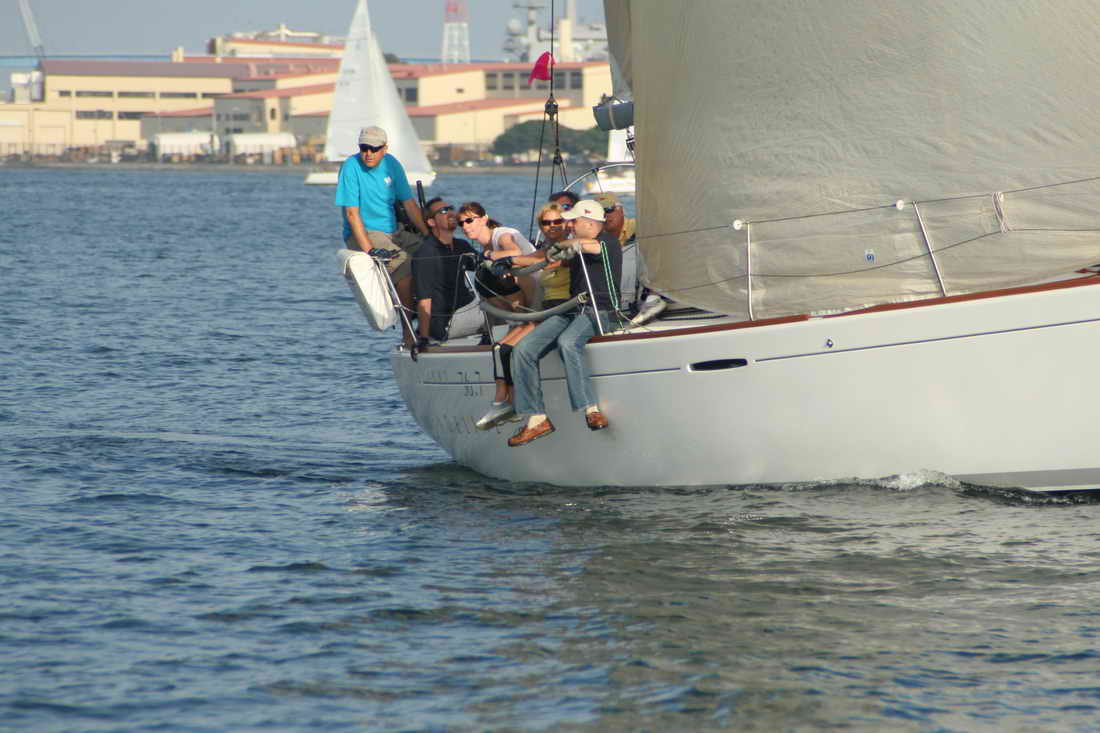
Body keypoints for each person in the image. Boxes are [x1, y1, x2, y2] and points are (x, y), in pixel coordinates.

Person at [506, 199, 623, 447]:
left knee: (568, 342)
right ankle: (536, 419)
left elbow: (590, 247)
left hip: (601, 311)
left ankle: (590, 409)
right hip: (572, 310)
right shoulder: (576, 244)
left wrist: (567, 245)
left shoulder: (607, 242)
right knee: (522, 350)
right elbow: (544, 258)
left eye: (574, 221)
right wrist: (509, 262)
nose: (568, 225)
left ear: (589, 222)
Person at [475, 202, 571, 430]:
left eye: (557, 221)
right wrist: (500, 261)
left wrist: (506, 259)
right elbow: (535, 256)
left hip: (562, 311)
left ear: (566, 223)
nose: (552, 226)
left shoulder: (570, 246)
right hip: (546, 310)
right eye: (546, 223)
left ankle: (517, 405)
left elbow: (547, 261)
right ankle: (503, 402)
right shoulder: (547, 248)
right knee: (499, 348)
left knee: (513, 349)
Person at [335, 126, 429, 342]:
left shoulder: (392, 164)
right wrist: (369, 250)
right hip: (365, 233)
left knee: (433, 255)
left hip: (395, 231)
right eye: (364, 148)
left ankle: (436, 321)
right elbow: (351, 214)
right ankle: (408, 333)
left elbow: (409, 204)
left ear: (385, 149)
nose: (368, 153)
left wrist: (429, 236)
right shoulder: (350, 167)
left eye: (374, 149)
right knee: (405, 267)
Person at [411, 197, 481, 346]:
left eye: (450, 208)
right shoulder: (425, 254)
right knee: (497, 311)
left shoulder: (461, 245)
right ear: (431, 222)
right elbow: (424, 300)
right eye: (443, 211)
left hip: (466, 311)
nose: (451, 213)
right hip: (446, 323)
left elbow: (482, 266)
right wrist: (424, 338)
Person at [457, 201, 539, 310]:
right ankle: (512, 316)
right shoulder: (486, 246)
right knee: (481, 278)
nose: (464, 226)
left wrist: (489, 254)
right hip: (524, 291)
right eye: (461, 223)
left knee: (494, 273)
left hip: (538, 288)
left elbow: (516, 252)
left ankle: (522, 315)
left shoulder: (501, 235)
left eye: (469, 220)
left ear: (484, 219)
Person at [593, 191, 639, 312]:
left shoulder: (640, 227)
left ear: (621, 210)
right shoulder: (593, 239)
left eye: (608, 209)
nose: (605, 215)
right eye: (600, 213)